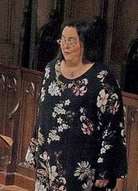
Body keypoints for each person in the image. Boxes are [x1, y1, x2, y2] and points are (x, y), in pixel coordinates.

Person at [25, 20, 127, 191]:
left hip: (83, 162)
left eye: (71, 41)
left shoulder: (102, 77)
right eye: (63, 40)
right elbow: (42, 113)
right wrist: (34, 148)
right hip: (49, 157)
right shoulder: (51, 70)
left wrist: (106, 169)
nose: (65, 45)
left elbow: (113, 126)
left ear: (85, 43)